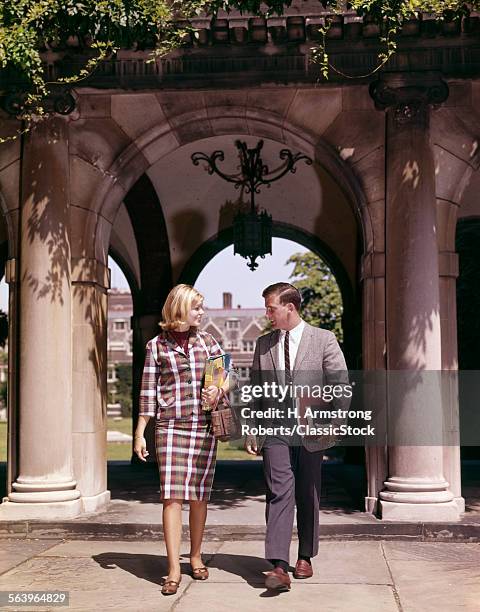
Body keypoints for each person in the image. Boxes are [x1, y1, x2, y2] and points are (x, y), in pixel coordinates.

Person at [245, 282, 349, 592]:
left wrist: (336, 422)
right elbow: (255, 389)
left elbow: (340, 383)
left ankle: (305, 556)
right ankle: (278, 565)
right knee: (279, 491)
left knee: (308, 492)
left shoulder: (323, 340)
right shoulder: (263, 344)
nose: (267, 314)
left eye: (271, 308)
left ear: (290, 307)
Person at [134, 284, 232, 596]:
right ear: (180, 309)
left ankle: (196, 556)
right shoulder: (156, 347)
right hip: (171, 427)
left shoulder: (208, 341)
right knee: (172, 497)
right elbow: (148, 391)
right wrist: (139, 432)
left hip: (203, 425)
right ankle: (173, 568)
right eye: (197, 308)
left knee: (199, 495)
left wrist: (218, 389)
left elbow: (225, 376)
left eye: (202, 308)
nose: (202, 313)